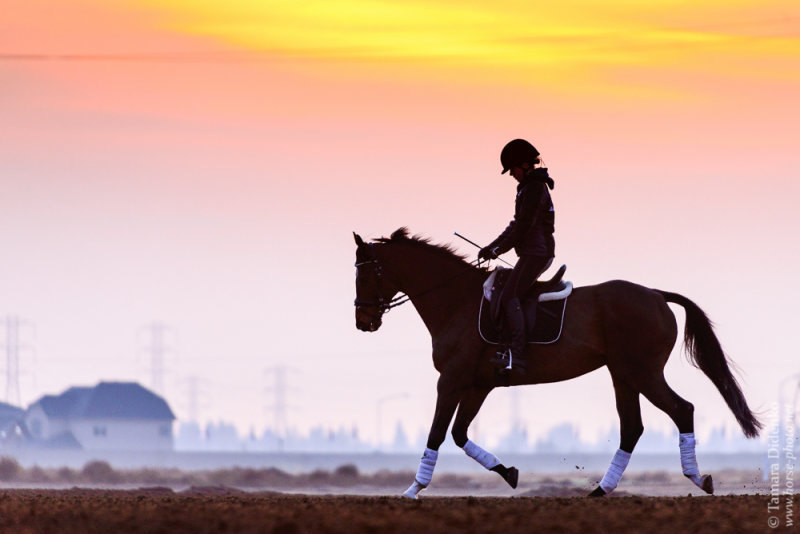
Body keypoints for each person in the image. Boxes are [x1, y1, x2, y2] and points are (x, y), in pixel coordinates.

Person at [478, 139, 555, 374]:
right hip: (533, 252)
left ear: (524, 164)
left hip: (537, 253)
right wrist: (492, 247)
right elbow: (515, 225)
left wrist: (497, 250)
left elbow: (522, 227)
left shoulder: (533, 187)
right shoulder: (528, 186)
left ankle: (517, 355)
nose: (512, 174)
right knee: (505, 290)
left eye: (513, 169)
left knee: (509, 296)